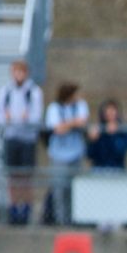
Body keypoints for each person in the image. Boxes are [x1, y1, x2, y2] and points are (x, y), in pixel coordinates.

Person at [0, 59, 44, 225]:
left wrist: (25, 119)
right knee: (13, 175)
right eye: (15, 71)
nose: (18, 75)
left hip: (27, 139)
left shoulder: (34, 92)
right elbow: (0, 116)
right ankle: (14, 207)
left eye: (21, 71)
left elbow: (36, 117)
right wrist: (9, 119)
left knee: (26, 176)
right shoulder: (6, 91)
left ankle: (26, 207)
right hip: (11, 137)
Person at [44, 82, 88, 225]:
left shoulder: (80, 106)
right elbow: (57, 129)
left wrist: (67, 124)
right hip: (58, 155)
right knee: (60, 189)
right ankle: (60, 220)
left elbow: (81, 122)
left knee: (74, 189)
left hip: (76, 154)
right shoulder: (54, 108)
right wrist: (73, 123)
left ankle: (74, 219)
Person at [87, 99, 127, 170]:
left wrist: (113, 135)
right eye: (107, 111)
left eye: (113, 110)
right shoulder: (98, 129)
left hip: (117, 168)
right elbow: (90, 155)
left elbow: (120, 152)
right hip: (99, 168)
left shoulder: (123, 131)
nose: (110, 113)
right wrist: (92, 141)